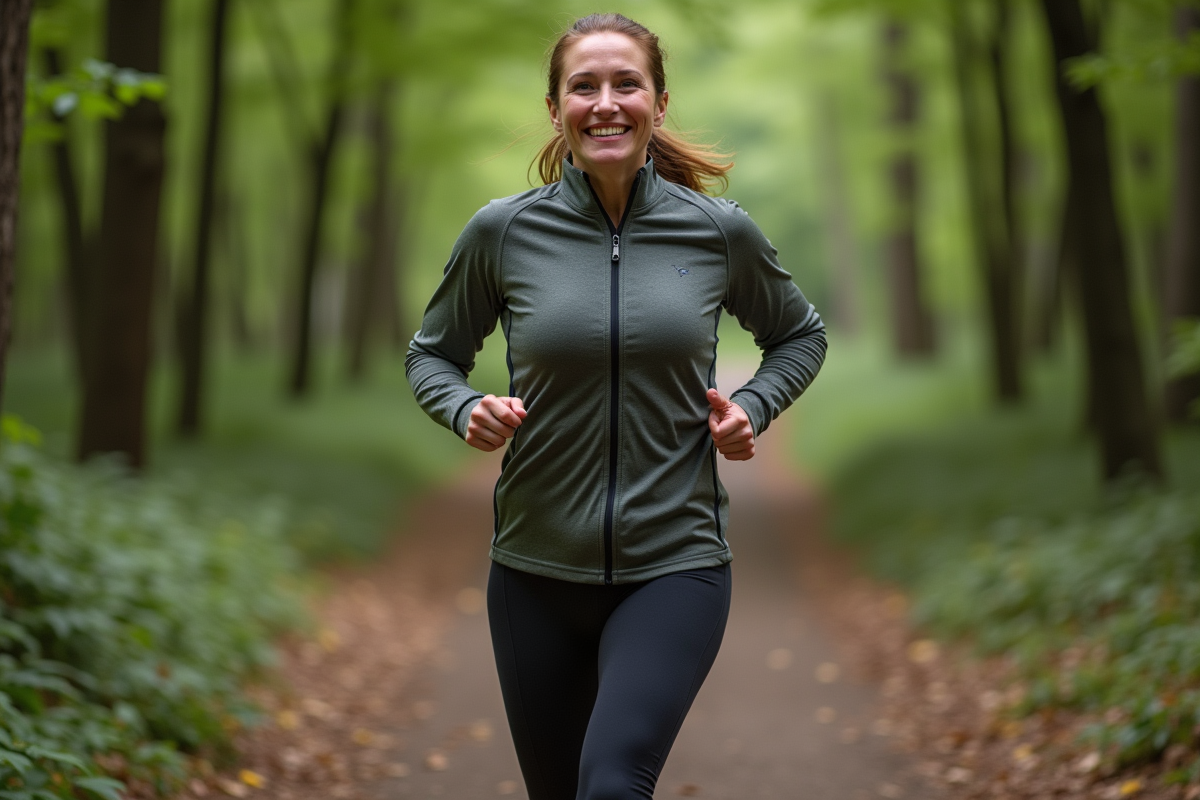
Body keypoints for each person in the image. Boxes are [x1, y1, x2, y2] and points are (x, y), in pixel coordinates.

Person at [405, 12, 826, 799]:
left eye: (625, 83)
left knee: (611, 784)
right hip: (533, 569)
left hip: (675, 563)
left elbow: (798, 335)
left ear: (658, 103)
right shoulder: (503, 233)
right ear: (557, 106)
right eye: (584, 86)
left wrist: (754, 407)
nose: (606, 102)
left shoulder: (715, 232)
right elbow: (432, 354)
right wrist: (464, 409)